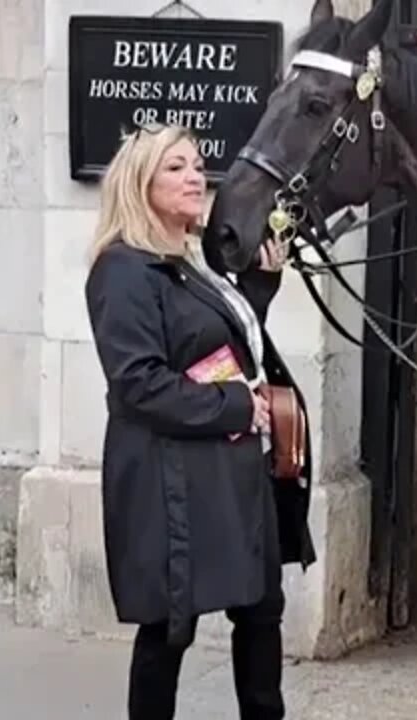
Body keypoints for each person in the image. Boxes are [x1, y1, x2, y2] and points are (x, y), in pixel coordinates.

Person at [83, 122, 315, 720]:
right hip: (169, 481)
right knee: (169, 629)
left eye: (196, 164)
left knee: (261, 609)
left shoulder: (187, 264)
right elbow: (137, 384)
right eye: (176, 168)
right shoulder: (124, 271)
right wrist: (238, 407)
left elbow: (219, 347)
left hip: (231, 471)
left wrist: (258, 290)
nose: (195, 177)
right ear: (141, 185)